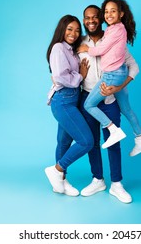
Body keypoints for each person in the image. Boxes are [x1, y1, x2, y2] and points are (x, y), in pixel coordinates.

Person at [78, 5, 141, 203]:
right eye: (87, 18)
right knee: (93, 143)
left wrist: (118, 87)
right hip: (88, 97)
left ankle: (117, 184)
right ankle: (98, 180)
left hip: (110, 101)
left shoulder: (113, 38)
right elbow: (66, 70)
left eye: (95, 17)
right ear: (84, 20)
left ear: (101, 19)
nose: (91, 21)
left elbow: (133, 66)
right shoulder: (79, 44)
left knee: (114, 142)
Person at [78, 0, 141, 152]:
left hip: (112, 75)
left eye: (113, 11)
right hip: (119, 73)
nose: (109, 14)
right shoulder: (115, 31)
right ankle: (140, 138)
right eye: (106, 11)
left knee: (89, 105)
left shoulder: (116, 30)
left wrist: (86, 49)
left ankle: (113, 129)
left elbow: (100, 50)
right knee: (126, 109)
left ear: (121, 14)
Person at [45, 15, 94, 197]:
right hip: (63, 101)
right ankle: (57, 169)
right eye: (69, 29)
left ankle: (60, 182)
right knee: (86, 141)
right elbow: (60, 77)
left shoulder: (71, 48)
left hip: (72, 99)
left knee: (64, 142)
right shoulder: (58, 48)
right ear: (62, 30)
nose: (73, 34)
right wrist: (80, 76)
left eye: (76, 30)